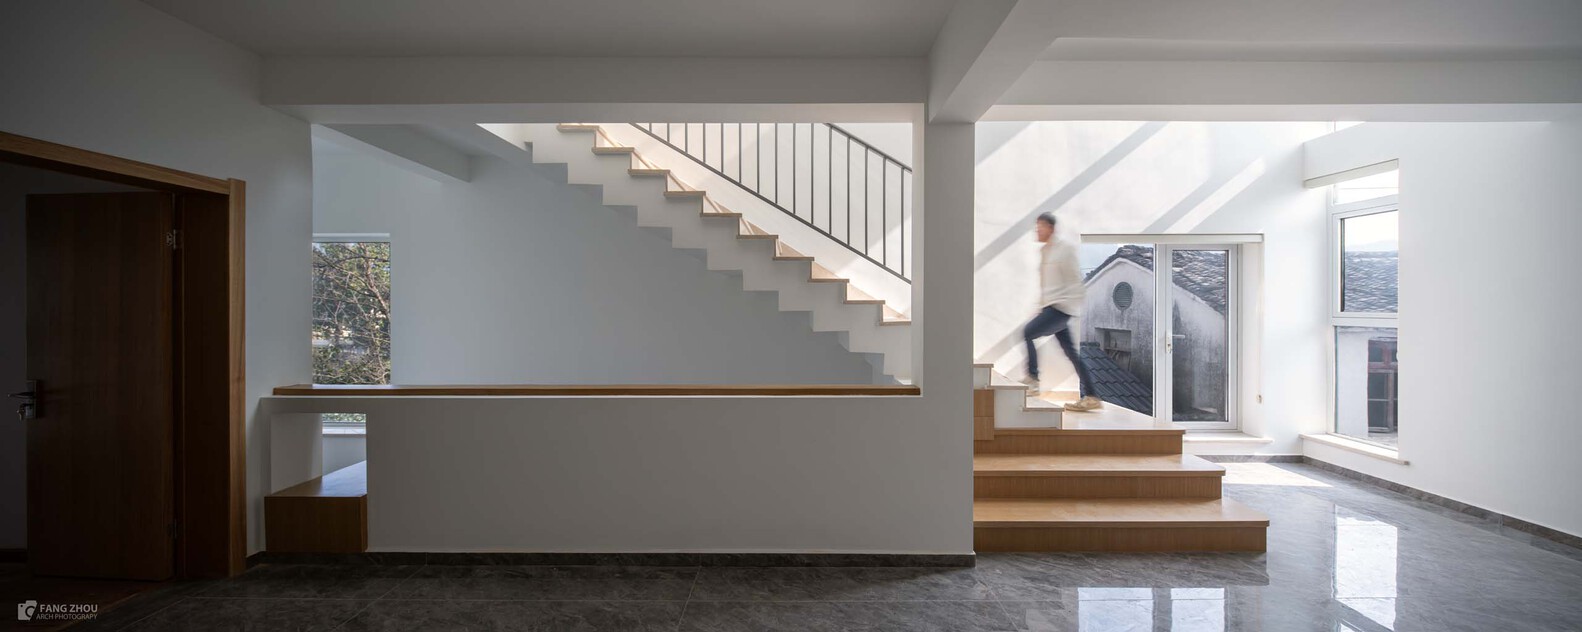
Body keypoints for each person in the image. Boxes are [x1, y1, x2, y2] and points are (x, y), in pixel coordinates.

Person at [1022, 213, 1102, 412]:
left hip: (1060, 308)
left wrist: (1069, 307)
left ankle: (1033, 380)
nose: (1037, 230)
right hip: (1051, 307)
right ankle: (1092, 396)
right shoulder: (1045, 252)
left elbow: (1075, 281)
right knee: (1071, 353)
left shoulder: (1064, 250)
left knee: (1028, 332)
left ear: (1050, 228)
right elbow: (1048, 284)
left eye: (1040, 227)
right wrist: (1043, 307)